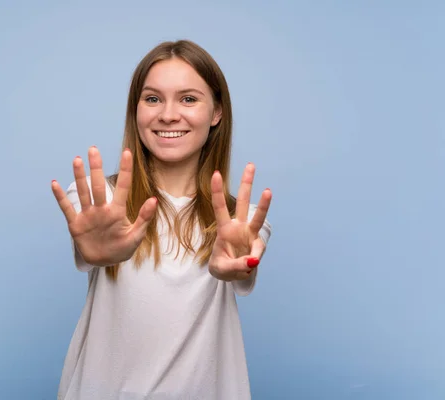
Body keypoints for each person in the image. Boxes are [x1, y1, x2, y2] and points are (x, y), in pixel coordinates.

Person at [51, 39, 273, 400]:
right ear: (135, 110)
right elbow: (90, 249)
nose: (168, 114)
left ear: (217, 112)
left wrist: (239, 264)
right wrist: (94, 252)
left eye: (188, 99)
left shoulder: (239, 221)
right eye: (152, 98)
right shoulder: (100, 203)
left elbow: (243, 264)